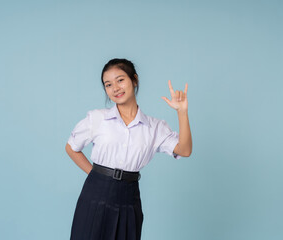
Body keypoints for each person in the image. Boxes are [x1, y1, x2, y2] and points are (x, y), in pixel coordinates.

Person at [66, 58, 192, 240]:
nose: (115, 88)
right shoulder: (97, 118)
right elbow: (71, 147)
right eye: (108, 84)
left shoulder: (154, 127)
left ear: (134, 80)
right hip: (95, 192)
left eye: (120, 80)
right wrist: (95, 174)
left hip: (129, 196)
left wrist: (182, 112)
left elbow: (185, 150)